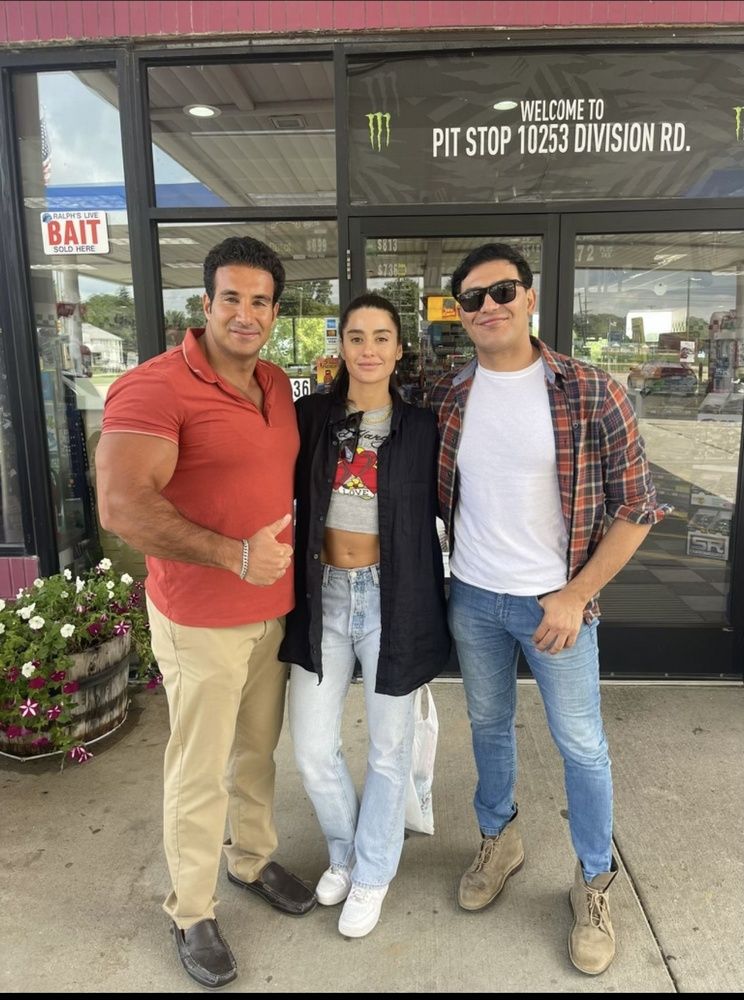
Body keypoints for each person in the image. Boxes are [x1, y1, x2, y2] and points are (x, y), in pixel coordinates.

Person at [429, 243, 668, 976]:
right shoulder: (453, 396)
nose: (488, 306)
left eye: (502, 291)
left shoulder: (592, 390)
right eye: (472, 299)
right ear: (460, 316)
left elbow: (637, 509)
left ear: (530, 299)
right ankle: (500, 840)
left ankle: (594, 879)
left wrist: (575, 594)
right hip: (472, 597)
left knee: (582, 746)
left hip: (556, 605)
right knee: (488, 727)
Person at [95, 236, 316, 991]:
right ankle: (191, 909)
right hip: (200, 620)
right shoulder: (154, 388)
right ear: (206, 303)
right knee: (199, 770)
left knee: (257, 754)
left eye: (260, 301)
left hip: (273, 613)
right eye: (232, 298)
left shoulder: (278, 384)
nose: (245, 314)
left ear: (275, 313)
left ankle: (251, 860)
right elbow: (122, 505)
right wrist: (232, 556)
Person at [280, 292, 451, 939]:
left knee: (387, 750)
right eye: (357, 336)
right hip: (323, 597)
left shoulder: (422, 428)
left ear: (398, 348)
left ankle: (373, 872)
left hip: (392, 600)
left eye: (382, 337)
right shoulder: (311, 418)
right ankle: (344, 853)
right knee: (313, 748)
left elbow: (463, 502)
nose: (369, 349)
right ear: (341, 345)